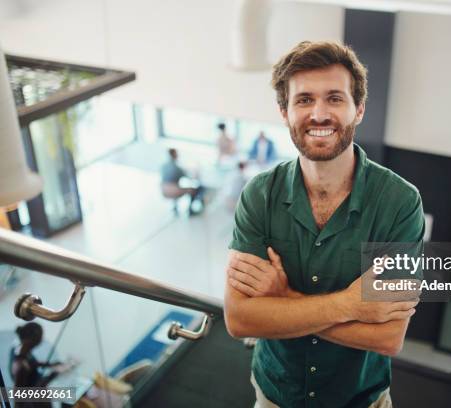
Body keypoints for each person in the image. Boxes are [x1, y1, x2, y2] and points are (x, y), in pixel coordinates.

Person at [224, 41, 425, 407]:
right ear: (284, 112)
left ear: (358, 109)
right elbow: (240, 319)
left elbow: (388, 337)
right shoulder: (259, 195)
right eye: (304, 100)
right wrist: (352, 304)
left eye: (334, 98)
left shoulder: (400, 203)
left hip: (362, 400)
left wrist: (284, 301)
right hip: (275, 395)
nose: (319, 113)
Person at [9, 323, 62, 388]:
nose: (42, 340)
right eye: (41, 337)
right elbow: (18, 396)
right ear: (34, 338)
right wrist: (50, 377)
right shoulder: (21, 366)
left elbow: (31, 363)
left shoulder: (19, 350)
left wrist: (51, 365)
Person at [160, 148, 204, 215]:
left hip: (163, 190)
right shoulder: (176, 168)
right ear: (174, 155)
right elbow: (190, 177)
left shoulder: (163, 166)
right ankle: (190, 210)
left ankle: (175, 207)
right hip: (174, 190)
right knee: (194, 189)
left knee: (177, 186)